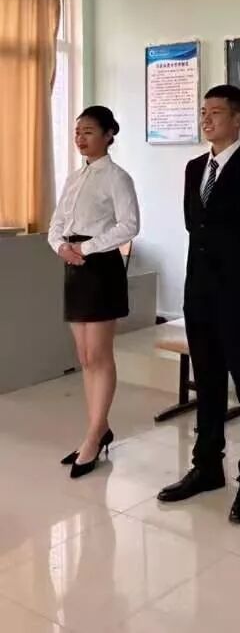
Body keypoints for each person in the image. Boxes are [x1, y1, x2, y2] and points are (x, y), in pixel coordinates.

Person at [158, 85, 240, 524]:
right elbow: (193, 224)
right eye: (203, 111)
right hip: (198, 292)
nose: (207, 119)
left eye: (216, 112)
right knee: (209, 381)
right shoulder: (195, 168)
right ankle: (207, 466)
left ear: (238, 119)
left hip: (238, 292)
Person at [48, 105, 140, 479]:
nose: (80, 138)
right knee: (85, 356)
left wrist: (85, 248)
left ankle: (94, 435)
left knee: (99, 355)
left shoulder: (117, 177)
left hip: (100, 267)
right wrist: (60, 247)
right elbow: (57, 222)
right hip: (74, 265)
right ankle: (97, 429)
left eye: (88, 131)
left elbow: (130, 225)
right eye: (77, 132)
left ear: (108, 135)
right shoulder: (75, 178)